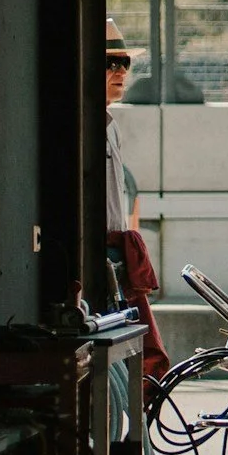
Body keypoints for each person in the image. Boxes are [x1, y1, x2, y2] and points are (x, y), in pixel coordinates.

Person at [102, 19, 168, 386]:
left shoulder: (110, 125)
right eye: (110, 63)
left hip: (114, 255)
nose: (121, 72)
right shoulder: (85, 125)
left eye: (125, 63)